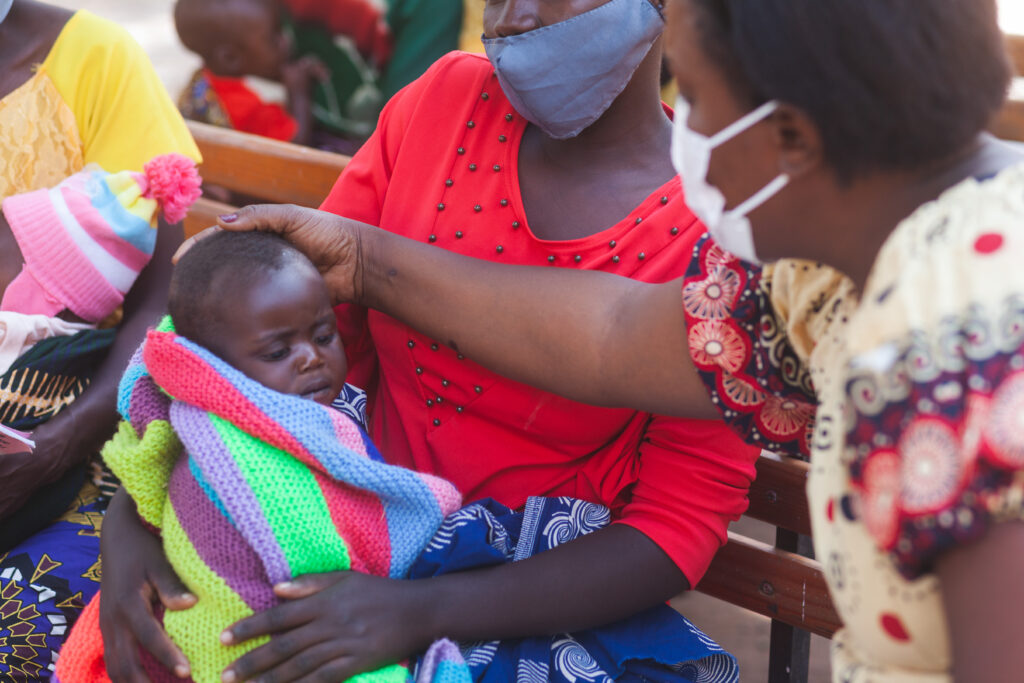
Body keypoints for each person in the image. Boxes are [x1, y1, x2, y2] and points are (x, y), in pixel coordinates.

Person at [195, 0, 1024, 680]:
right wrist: (365, 260)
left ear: (795, 139)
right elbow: (613, 333)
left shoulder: (964, 354)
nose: (683, 131)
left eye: (695, 98)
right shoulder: (831, 269)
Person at [99, 0, 761, 681]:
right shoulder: (444, 103)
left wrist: (419, 610)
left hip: (526, 598)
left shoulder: (721, 227)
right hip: (327, 531)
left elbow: (674, 527)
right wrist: (133, 520)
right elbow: (250, 346)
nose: (513, 17)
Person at [53, 231, 466, 683]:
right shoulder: (217, 447)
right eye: (277, 351)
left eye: (324, 335)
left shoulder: (328, 422)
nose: (311, 358)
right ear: (211, 367)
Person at [0, 1, 201, 677]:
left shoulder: (93, 60)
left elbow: (165, 296)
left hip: (83, 443)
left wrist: (56, 447)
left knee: (17, 628)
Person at [175, 0, 462, 149]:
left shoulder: (207, 82)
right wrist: (299, 93)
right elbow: (291, 147)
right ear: (230, 58)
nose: (286, 42)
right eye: (275, 36)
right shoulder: (244, 100)